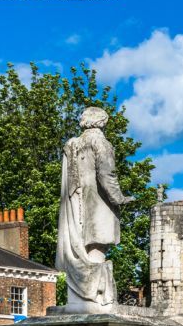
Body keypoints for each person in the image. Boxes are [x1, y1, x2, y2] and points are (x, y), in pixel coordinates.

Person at [55, 107, 134, 312]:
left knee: (83, 244)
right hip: (97, 203)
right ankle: (94, 295)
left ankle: (83, 295)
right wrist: (119, 198)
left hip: (76, 204)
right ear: (102, 122)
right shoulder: (100, 142)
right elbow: (107, 174)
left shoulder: (71, 144)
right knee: (97, 246)